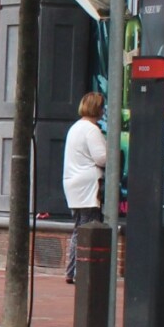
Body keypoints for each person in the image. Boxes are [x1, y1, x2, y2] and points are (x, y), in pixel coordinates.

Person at [61, 91, 106, 285]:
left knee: (79, 228)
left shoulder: (75, 127)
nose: (104, 110)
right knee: (89, 227)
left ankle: (71, 269)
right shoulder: (91, 129)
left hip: (73, 182)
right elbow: (102, 158)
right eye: (102, 106)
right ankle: (82, 270)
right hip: (88, 184)